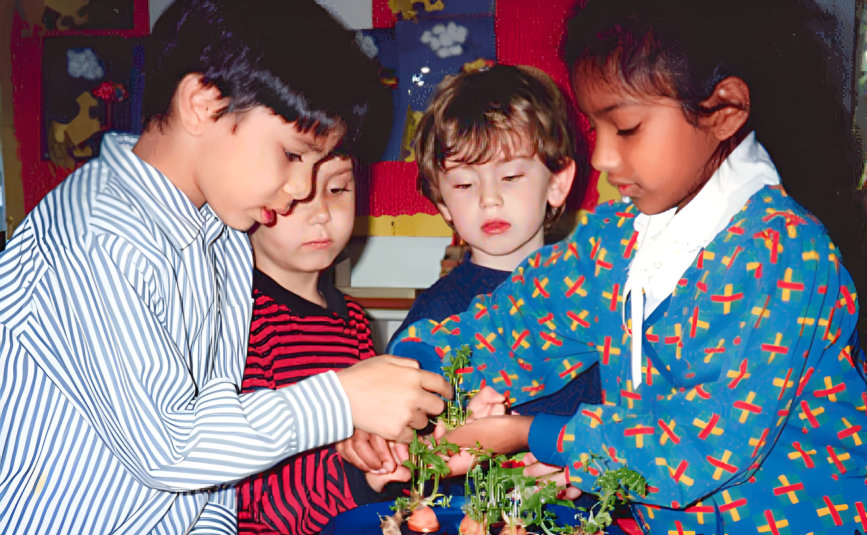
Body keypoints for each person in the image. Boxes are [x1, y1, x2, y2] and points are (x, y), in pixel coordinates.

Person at [390, 0, 867, 533]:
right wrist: (406, 379)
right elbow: (517, 324)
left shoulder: (785, 255)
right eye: (597, 129)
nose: (602, 160)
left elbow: (703, 445)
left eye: (627, 128)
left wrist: (534, 434)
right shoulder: (619, 235)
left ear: (725, 109)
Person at [0, 0, 452, 533]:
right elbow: (171, 449)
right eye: (291, 154)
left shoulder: (222, 235)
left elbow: (214, 466)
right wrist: (343, 396)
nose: (301, 190)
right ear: (203, 103)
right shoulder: (97, 236)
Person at [387, 64, 602, 417]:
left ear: (557, 183)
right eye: (464, 184)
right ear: (443, 203)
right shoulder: (436, 316)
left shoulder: (592, 287)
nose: (489, 199)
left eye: (511, 176)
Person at [237, 155, 409, 534]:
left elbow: (373, 442)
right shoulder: (240, 322)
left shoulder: (355, 320)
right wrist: (358, 479)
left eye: (336, 190)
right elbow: (248, 495)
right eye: (296, 198)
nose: (321, 215)